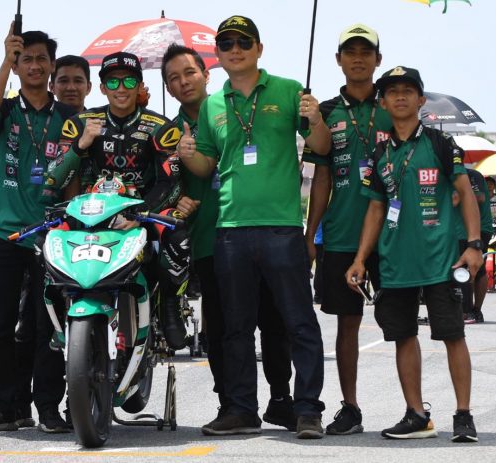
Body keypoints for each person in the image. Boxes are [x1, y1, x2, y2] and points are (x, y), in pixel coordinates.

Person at [178, 15, 331, 438]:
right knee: (235, 328)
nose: (235, 49)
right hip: (230, 230)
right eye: (226, 43)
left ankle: (308, 410)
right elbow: (206, 166)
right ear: (218, 54)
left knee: (299, 323)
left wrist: (316, 119)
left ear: (259, 49)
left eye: (243, 42)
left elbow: (320, 148)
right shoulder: (213, 105)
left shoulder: (289, 90)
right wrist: (187, 153)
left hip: (282, 228)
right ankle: (242, 410)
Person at [161, 43, 296, 430]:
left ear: (207, 73)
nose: (183, 82)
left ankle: (281, 399)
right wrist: (175, 201)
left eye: (189, 72)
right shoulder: (166, 134)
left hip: (261, 230)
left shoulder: (235, 107)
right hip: (210, 240)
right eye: (174, 78)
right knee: (222, 328)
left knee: (274, 322)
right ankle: (233, 405)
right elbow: (160, 184)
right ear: (168, 88)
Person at [345, 66, 482, 442]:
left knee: (453, 335)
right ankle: (416, 414)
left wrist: (474, 245)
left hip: (441, 261)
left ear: (421, 100)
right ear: (383, 103)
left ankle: (464, 415)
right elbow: (376, 209)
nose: (401, 96)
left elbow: (465, 192)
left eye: (408, 90)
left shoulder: (441, 143)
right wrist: (360, 259)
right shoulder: (378, 153)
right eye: (392, 92)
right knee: (403, 336)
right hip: (395, 264)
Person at [46, 51, 189, 350]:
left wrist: (141, 213)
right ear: (101, 88)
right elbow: (53, 179)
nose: (121, 88)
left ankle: (170, 305)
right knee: (46, 243)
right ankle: (59, 320)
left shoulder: (161, 127)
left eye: (128, 81)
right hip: (89, 215)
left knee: (178, 234)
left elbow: (171, 182)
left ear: (139, 86)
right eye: (113, 82)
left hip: (141, 213)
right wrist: (81, 145)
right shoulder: (79, 123)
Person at [0, 25, 76, 434]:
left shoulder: (68, 117)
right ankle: (4, 406)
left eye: (41, 59)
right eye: (26, 59)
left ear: (51, 66)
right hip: (4, 234)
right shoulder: (7, 109)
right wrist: (5, 60)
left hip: (51, 234)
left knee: (49, 325)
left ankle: (48, 407)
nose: (34, 65)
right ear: (18, 66)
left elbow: (75, 175)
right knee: (0, 325)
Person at [303, 24, 391, 436]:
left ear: (378, 59)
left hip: (391, 236)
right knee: (347, 323)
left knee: (401, 323)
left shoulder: (393, 105)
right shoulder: (324, 111)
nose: (358, 58)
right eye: (350, 52)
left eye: (366, 52)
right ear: (338, 60)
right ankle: (350, 408)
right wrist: (310, 236)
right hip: (340, 234)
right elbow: (320, 180)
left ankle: (413, 408)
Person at [454, 169, 492, 324]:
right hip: (465, 229)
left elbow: (480, 197)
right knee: (475, 269)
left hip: (477, 229)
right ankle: (472, 310)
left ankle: (471, 310)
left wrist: (458, 196)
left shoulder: (472, 175)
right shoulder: (454, 174)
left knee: (472, 269)